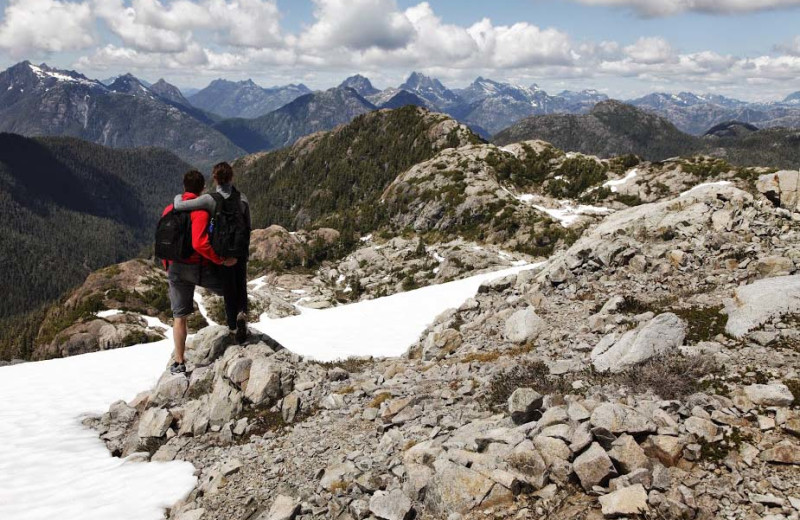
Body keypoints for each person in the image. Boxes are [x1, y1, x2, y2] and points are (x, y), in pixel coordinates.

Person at [163, 170, 238, 375]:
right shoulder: (201, 212)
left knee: (179, 316)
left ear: (184, 186)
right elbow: (199, 243)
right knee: (230, 289)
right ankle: (237, 331)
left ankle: (179, 362)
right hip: (196, 267)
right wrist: (222, 260)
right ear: (202, 188)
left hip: (175, 268)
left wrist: (167, 265)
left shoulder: (170, 209)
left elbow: (164, 239)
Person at [172, 162, 252, 345]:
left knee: (229, 288)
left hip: (222, 253)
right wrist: (243, 251)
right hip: (239, 252)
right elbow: (248, 226)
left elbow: (180, 205)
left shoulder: (210, 199)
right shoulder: (243, 198)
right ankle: (242, 318)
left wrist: (178, 195)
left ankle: (232, 326)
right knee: (241, 286)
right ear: (232, 177)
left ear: (215, 178)